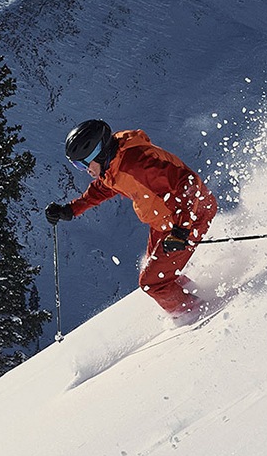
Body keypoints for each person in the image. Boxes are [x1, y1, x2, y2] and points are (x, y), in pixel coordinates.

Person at [45, 119, 218, 318]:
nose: (85, 170)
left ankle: (199, 316)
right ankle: (195, 300)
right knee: (156, 275)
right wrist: (70, 210)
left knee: (152, 282)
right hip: (165, 221)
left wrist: (181, 229)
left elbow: (187, 183)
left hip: (191, 216)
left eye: (82, 164)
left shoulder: (137, 165)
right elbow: (104, 188)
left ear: (97, 153)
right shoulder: (114, 165)